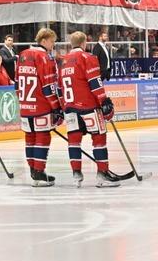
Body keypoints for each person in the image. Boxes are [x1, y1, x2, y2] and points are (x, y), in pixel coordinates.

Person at [60, 31, 119, 188]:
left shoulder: (64, 61)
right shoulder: (87, 57)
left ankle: (76, 175)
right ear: (84, 43)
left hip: (70, 107)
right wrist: (104, 102)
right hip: (88, 106)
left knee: (74, 141)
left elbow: (60, 88)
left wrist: (62, 107)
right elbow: (95, 82)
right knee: (99, 138)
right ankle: (102, 174)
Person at [16, 28, 63, 187]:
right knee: (42, 137)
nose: (53, 44)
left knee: (30, 137)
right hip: (41, 105)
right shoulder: (44, 57)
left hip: (25, 105)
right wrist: (56, 107)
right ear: (43, 40)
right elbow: (48, 85)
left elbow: (16, 83)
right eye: (52, 41)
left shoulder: (23, 54)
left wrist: (23, 101)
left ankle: (33, 170)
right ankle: (39, 171)